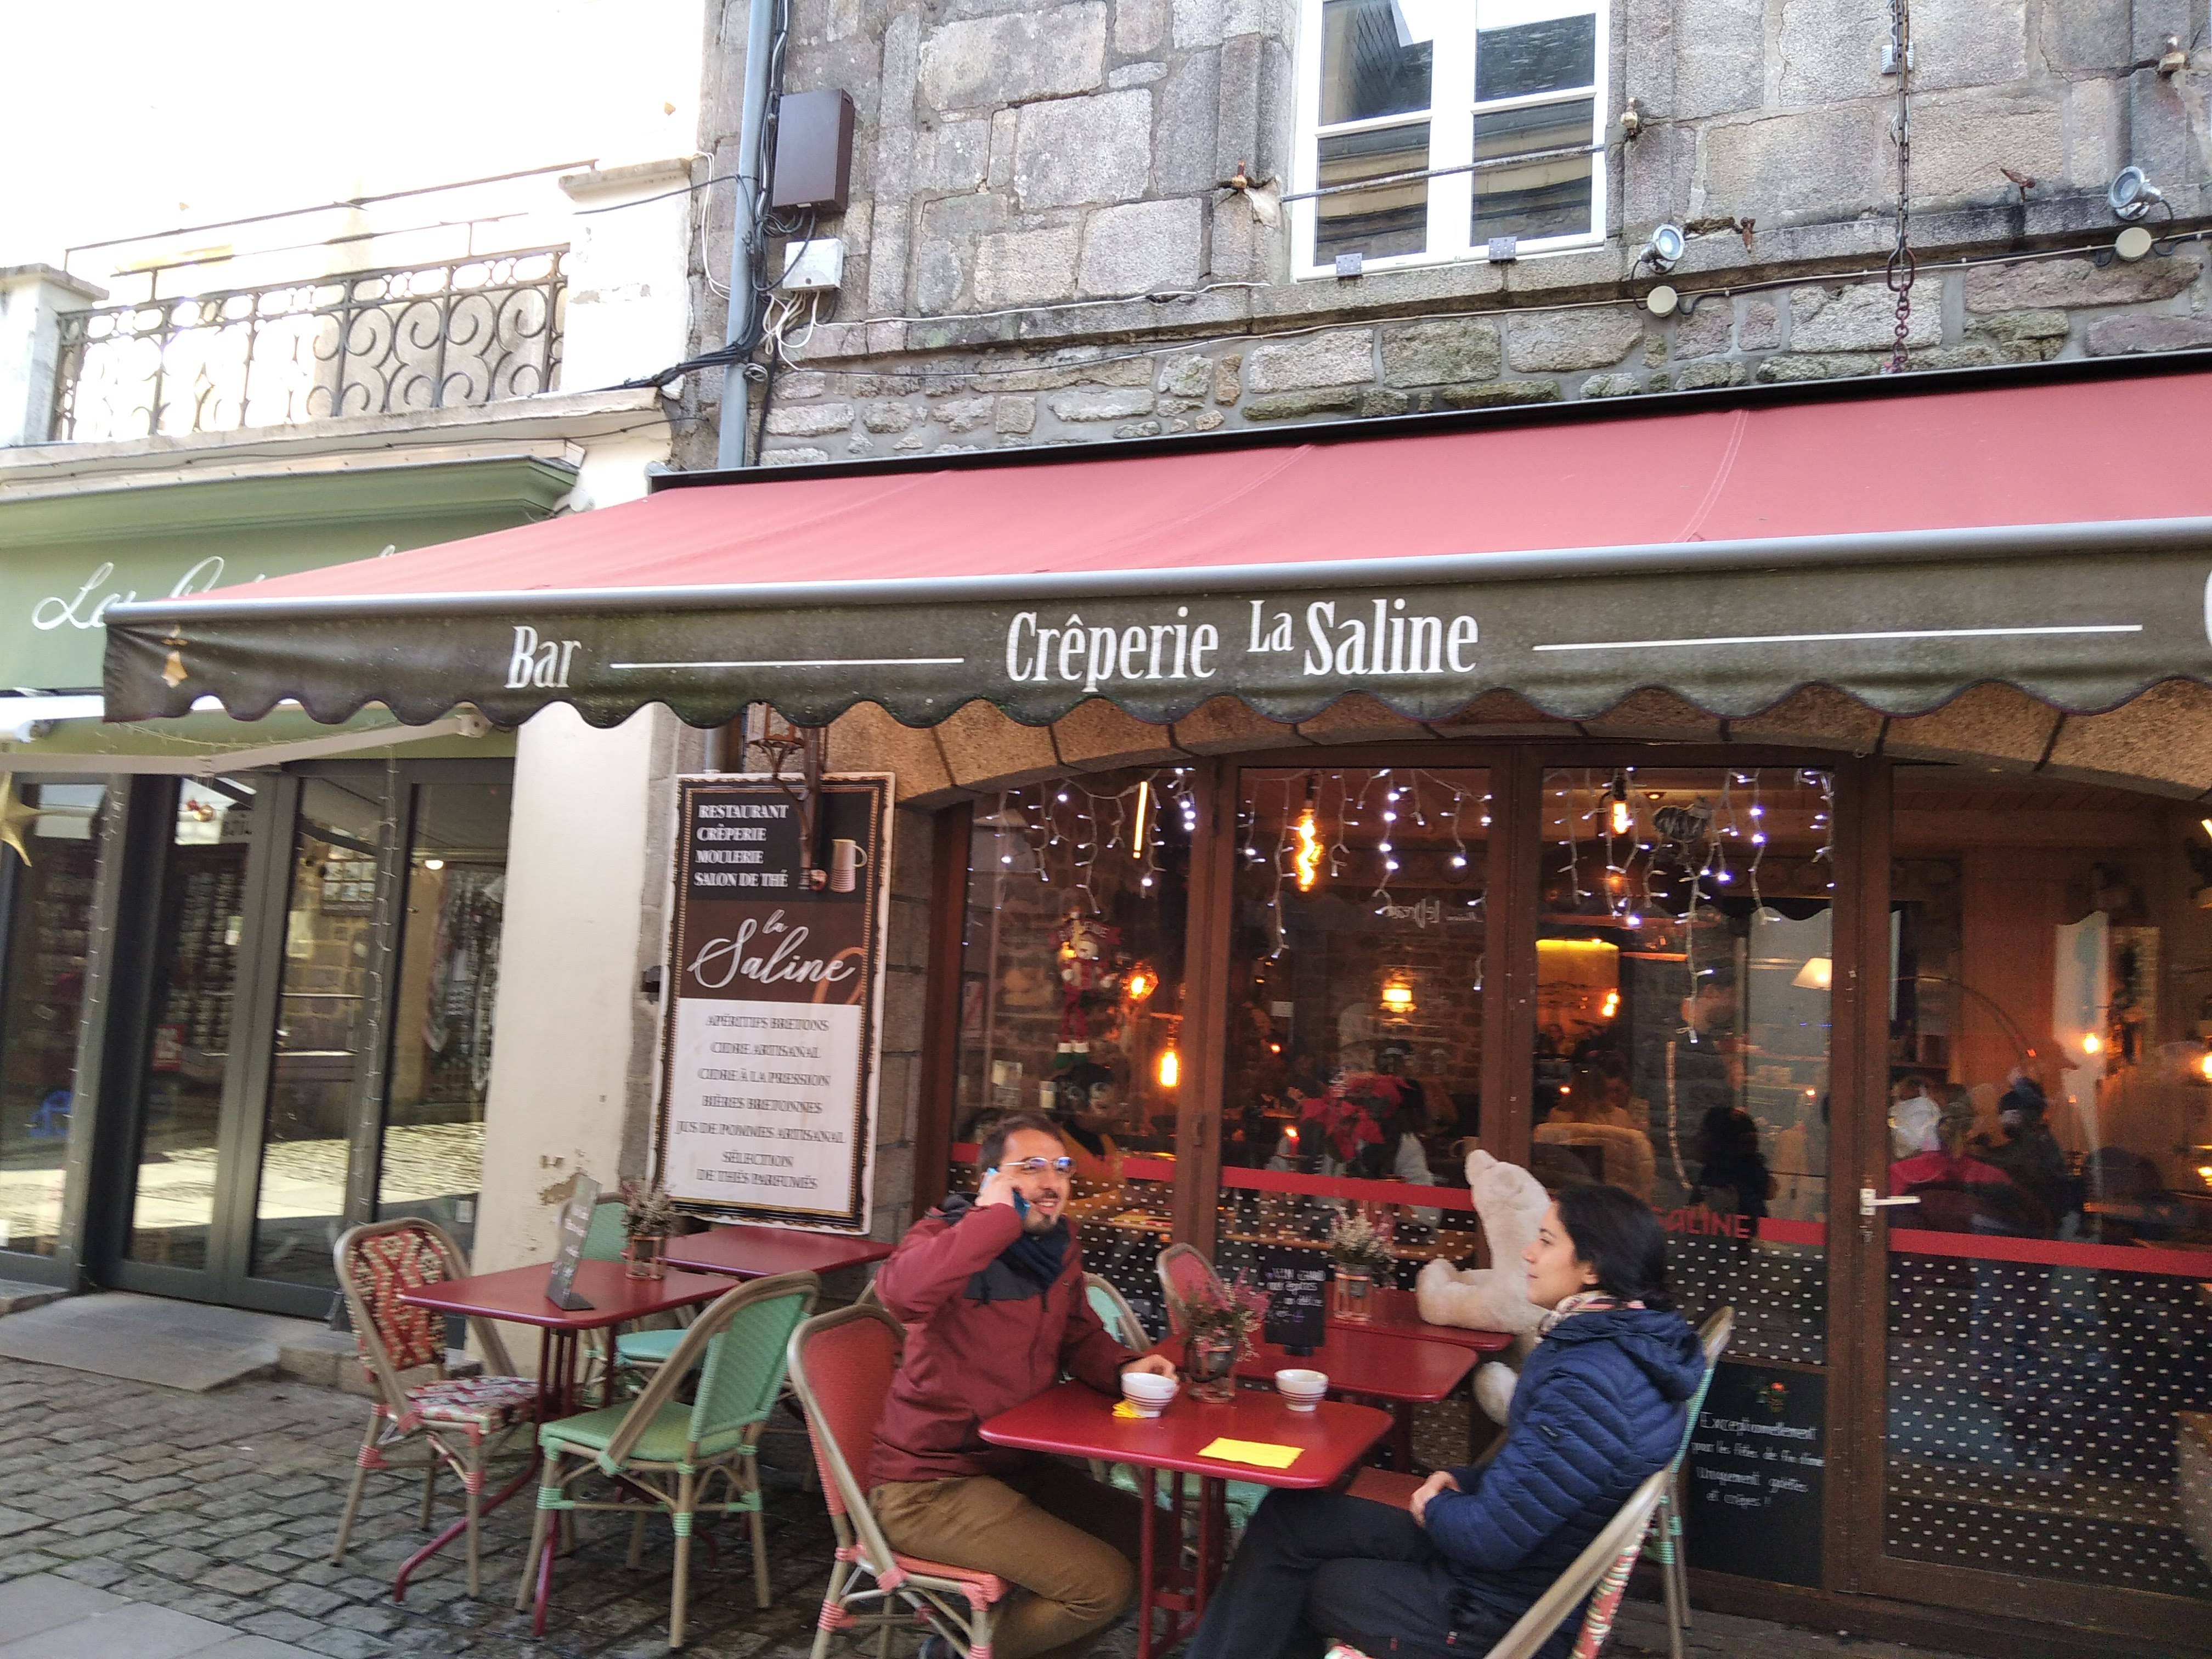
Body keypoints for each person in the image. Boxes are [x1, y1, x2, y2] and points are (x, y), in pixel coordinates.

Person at [1182, 1184, 1704, 1659]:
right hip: (1507, 1572)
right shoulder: (1625, 1348)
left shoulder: (1590, 1384)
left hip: (1492, 1613)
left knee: (1300, 1582)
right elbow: (1548, 1479)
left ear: (1592, 1268)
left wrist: (1435, 1506)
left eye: (1546, 1242)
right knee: (1291, 1515)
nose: (1528, 1252)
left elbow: (1490, 1537)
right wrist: (1463, 1480)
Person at [868, 1112, 1178, 1659]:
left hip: (1015, 1467)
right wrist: (993, 1219)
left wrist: (1127, 1369)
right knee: (1099, 1586)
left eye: (1061, 1168)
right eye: (1030, 1167)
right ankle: (951, 1653)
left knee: (1160, 1540)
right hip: (930, 1484)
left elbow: (1079, 1333)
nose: (1051, 1182)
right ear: (989, 1179)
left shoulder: (1057, 1245)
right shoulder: (946, 1234)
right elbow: (898, 1295)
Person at [1977, 1076, 2070, 1232]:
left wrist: (1980, 1154)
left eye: (2003, 1115)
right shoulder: (2039, 1140)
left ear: (2018, 1114)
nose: (2000, 1121)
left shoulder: (2036, 1143)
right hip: (2032, 1221)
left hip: (2032, 1226)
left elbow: (2013, 1166)